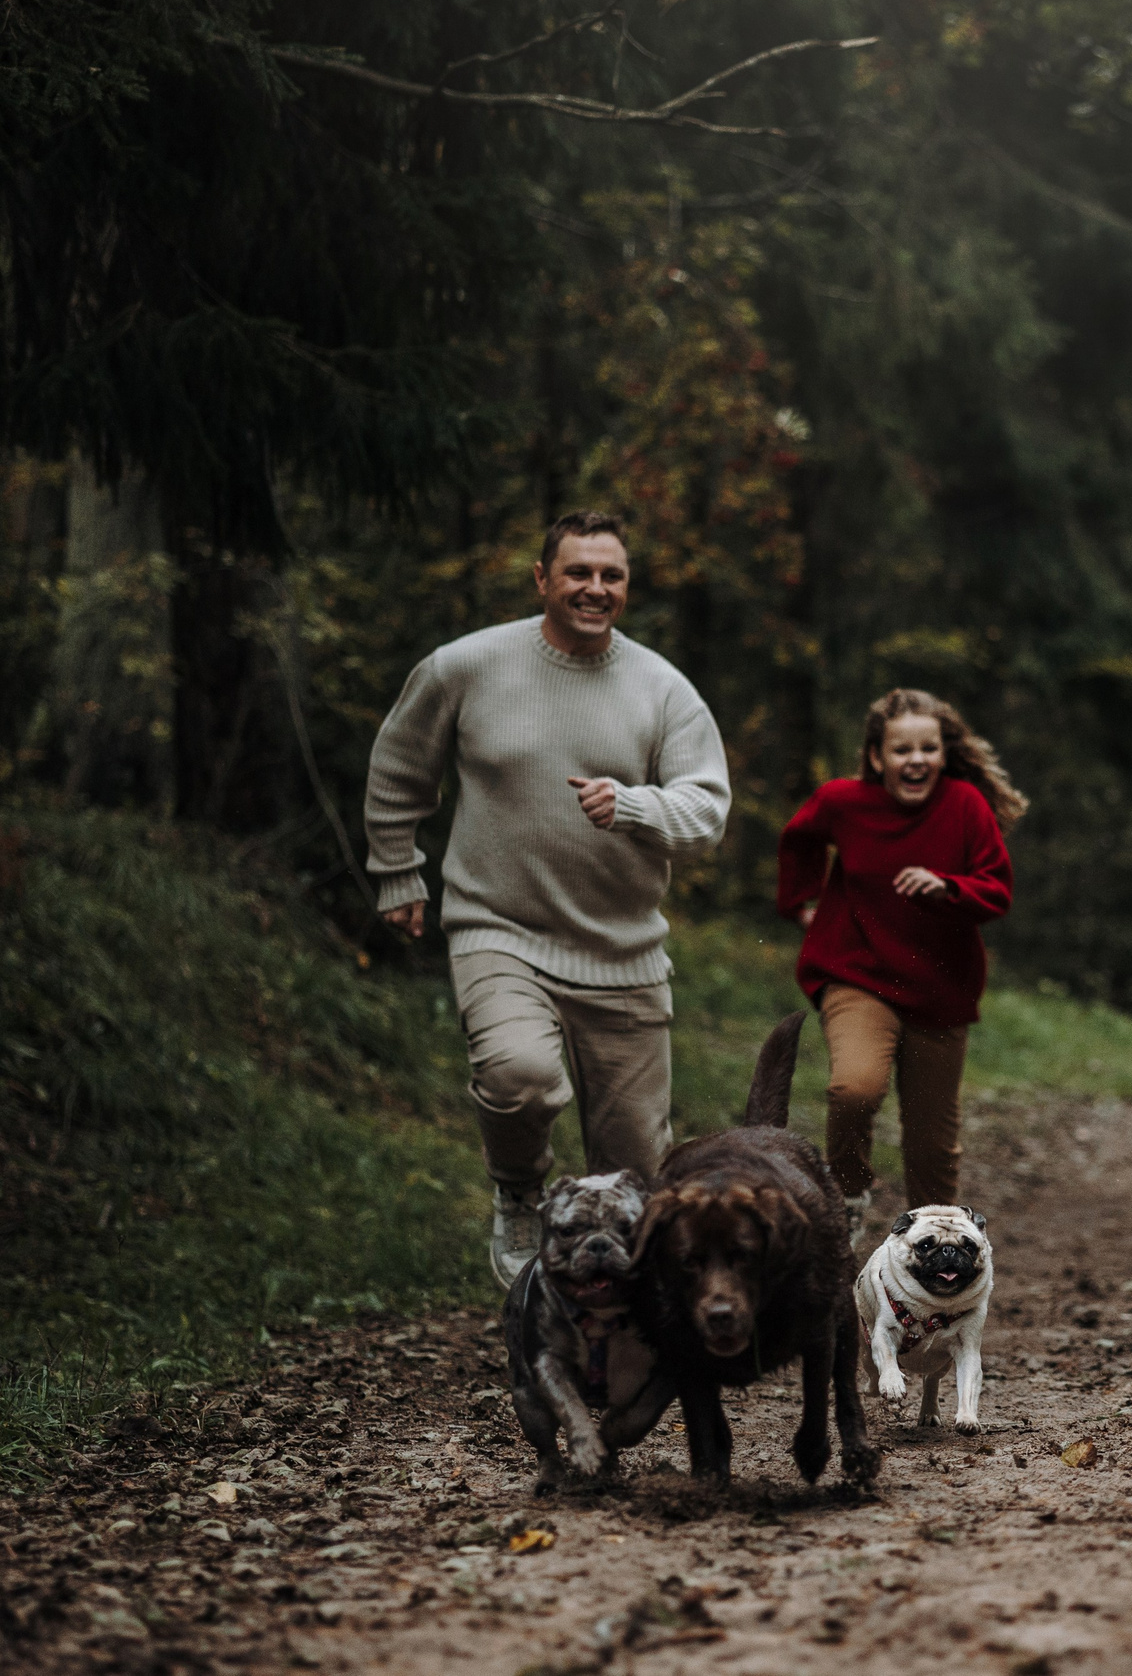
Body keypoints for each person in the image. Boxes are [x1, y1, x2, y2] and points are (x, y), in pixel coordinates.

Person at [365, 510, 731, 1289]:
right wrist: (398, 871)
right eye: (578, 572)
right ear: (542, 578)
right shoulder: (466, 667)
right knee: (520, 1076)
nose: (595, 588)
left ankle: (613, 1340)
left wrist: (632, 805)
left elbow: (706, 814)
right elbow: (400, 767)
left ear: (627, 585)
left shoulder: (663, 689)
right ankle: (520, 1191)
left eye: (612, 575)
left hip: (624, 949)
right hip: (499, 927)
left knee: (637, 1177)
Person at [776, 688, 1023, 1236]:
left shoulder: (964, 805)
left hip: (940, 988)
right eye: (902, 750)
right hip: (856, 972)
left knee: (933, 1143)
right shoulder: (844, 802)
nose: (916, 761)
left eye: (928, 749)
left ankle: (935, 1243)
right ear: (875, 757)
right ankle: (847, 1196)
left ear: (942, 753)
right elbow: (799, 838)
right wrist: (801, 903)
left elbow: (997, 891)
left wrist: (947, 888)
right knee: (854, 1087)